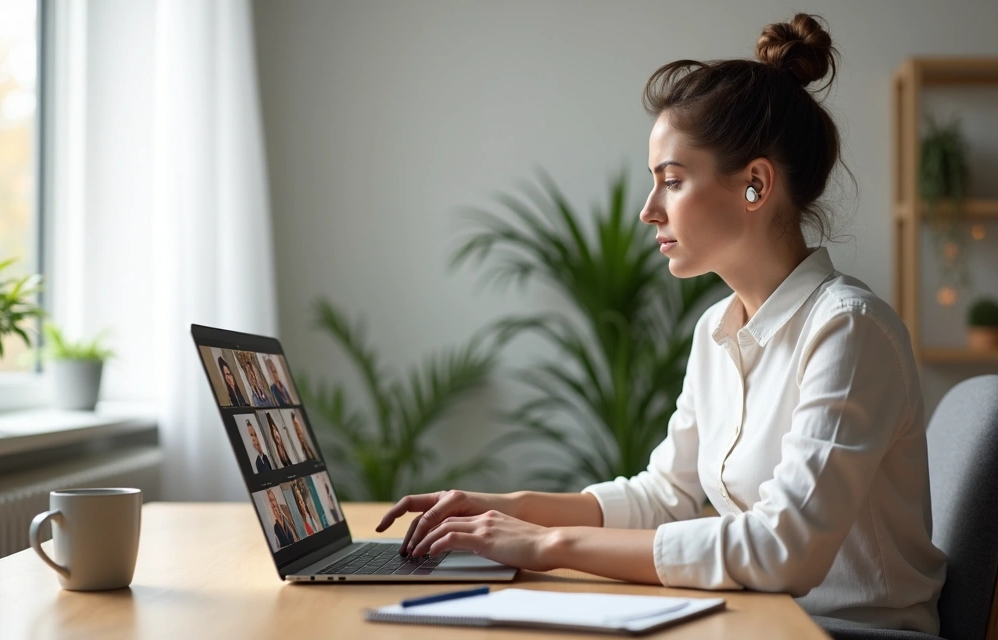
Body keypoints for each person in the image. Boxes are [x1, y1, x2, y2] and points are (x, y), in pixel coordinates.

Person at [373, 14, 946, 634]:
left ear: (755, 185)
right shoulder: (715, 331)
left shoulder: (849, 330)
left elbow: (785, 550)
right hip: (761, 619)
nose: (649, 210)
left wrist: (546, 545)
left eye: (671, 181)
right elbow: (664, 497)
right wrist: (503, 508)